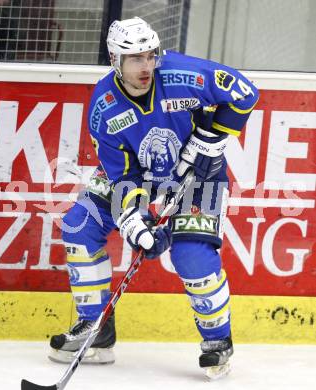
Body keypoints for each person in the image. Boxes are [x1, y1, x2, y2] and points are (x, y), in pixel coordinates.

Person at [49, 17, 259, 379]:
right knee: (79, 224)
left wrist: (214, 137)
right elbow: (122, 173)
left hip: (198, 175)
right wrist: (134, 219)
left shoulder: (180, 72)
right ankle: (95, 330)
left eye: (150, 56)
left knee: (190, 255)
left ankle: (217, 343)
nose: (146, 66)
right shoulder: (104, 105)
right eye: (135, 59)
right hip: (139, 176)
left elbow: (244, 92)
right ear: (115, 60)